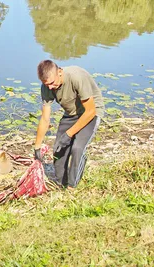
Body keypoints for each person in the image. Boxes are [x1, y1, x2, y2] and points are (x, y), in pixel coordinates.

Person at [34, 60, 104, 189]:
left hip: (90, 112)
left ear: (59, 72)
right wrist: (37, 147)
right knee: (58, 149)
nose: (49, 87)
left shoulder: (76, 76)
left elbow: (90, 111)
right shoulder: (47, 86)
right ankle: (61, 183)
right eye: (46, 84)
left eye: (51, 83)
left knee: (77, 148)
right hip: (71, 113)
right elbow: (45, 118)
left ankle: (72, 187)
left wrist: (69, 134)